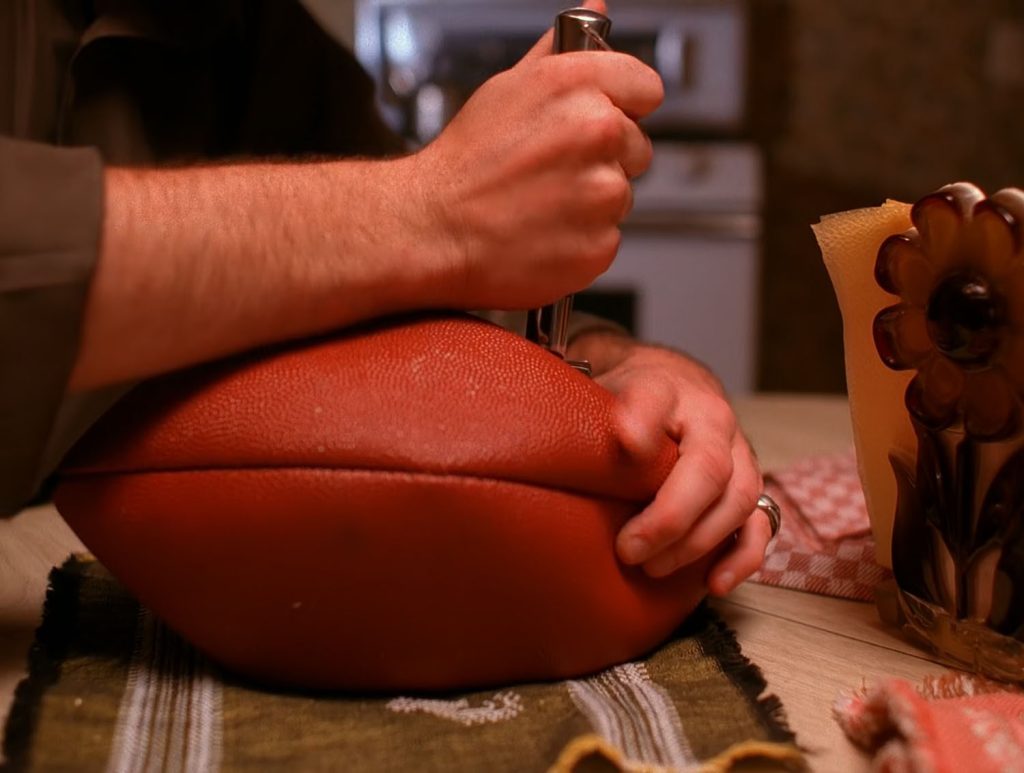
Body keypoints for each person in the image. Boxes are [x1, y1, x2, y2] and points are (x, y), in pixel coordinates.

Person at [0, 0, 773, 595]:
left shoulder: (247, 32)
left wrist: (614, 364)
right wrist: (428, 211)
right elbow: (420, 224)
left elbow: (423, 280)